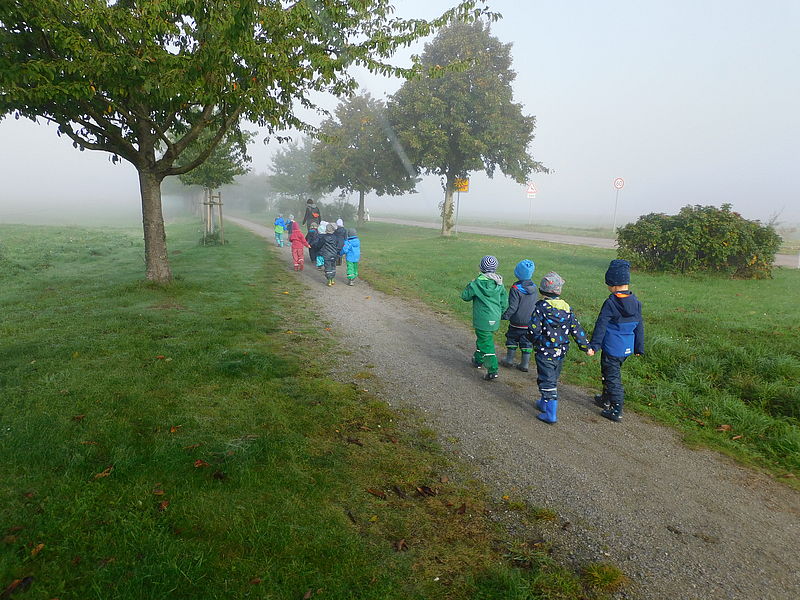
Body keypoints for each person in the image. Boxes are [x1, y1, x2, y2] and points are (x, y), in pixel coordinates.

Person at [528, 272, 593, 424]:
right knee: (551, 378)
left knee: (547, 380)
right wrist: (586, 347)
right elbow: (576, 329)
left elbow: (533, 329)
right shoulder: (567, 309)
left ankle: (550, 414)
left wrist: (534, 341)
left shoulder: (540, 308)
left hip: (545, 352)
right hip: (560, 352)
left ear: (542, 291)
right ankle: (544, 403)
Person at [588, 259, 644, 423]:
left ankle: (616, 409)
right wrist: (639, 347)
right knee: (609, 373)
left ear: (612, 284)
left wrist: (594, 345)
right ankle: (605, 399)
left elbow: (601, 325)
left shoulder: (611, 303)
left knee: (612, 378)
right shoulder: (635, 301)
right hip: (626, 348)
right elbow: (639, 326)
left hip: (612, 348)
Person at [460, 255, 508, 381]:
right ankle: (478, 359)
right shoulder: (499, 284)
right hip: (495, 318)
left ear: (481, 267)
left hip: (482, 320)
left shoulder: (476, 283)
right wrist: (499, 313)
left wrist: (470, 284)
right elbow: (504, 303)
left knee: (486, 344)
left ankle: (493, 369)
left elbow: (465, 296)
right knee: (484, 339)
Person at [500, 259, 537, 373]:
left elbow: (513, 307)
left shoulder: (515, 288)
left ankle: (509, 360)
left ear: (517, 273)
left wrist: (505, 316)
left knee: (512, 338)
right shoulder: (535, 288)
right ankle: (524, 364)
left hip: (516, 321)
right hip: (529, 321)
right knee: (526, 341)